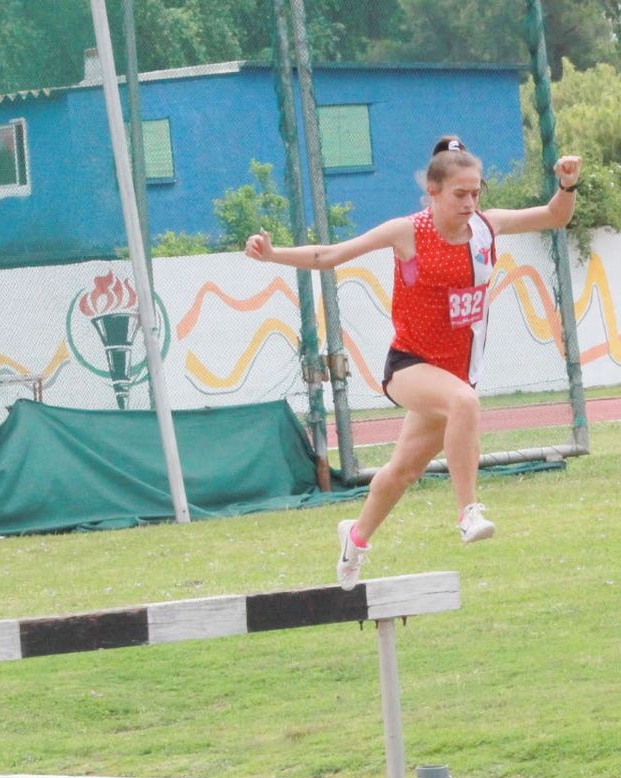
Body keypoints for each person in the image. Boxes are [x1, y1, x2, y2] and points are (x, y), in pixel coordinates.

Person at [245, 136, 582, 588]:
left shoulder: (487, 227)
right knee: (464, 403)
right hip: (408, 367)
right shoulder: (409, 232)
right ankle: (468, 512)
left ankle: (356, 538)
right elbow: (329, 256)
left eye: (476, 192)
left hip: (456, 372)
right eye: (460, 194)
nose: (470, 202)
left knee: (402, 471)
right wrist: (273, 254)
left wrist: (567, 185)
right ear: (433, 192)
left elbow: (555, 216)